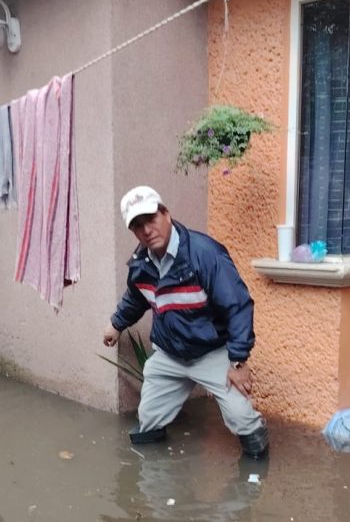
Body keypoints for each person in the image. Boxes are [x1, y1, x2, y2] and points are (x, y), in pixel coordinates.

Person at [103, 186, 269, 459]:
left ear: (166, 213)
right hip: (169, 354)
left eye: (151, 219)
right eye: (137, 225)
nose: (146, 230)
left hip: (212, 353)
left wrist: (238, 361)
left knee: (242, 420)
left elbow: (238, 306)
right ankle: (158, 485)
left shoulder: (206, 254)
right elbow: (136, 298)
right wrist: (116, 324)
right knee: (147, 421)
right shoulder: (140, 264)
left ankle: (257, 469)